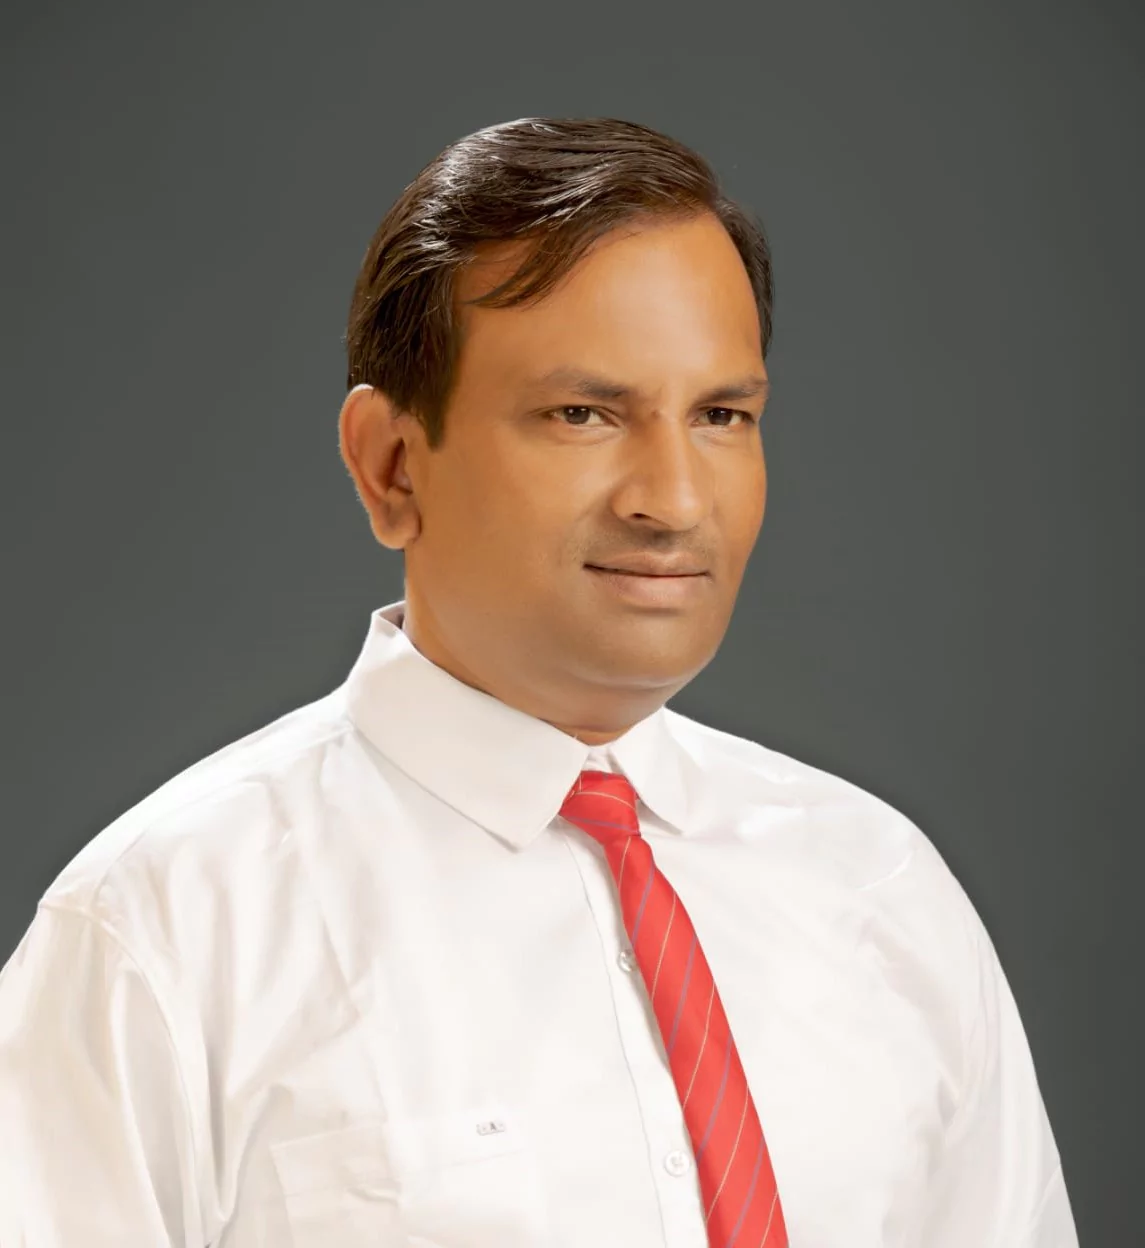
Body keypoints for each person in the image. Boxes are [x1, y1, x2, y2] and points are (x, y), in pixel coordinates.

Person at [0, 116, 1078, 1248]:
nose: (674, 499)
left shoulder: (880, 888)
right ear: (390, 465)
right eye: (582, 414)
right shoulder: (167, 929)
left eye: (720, 415)